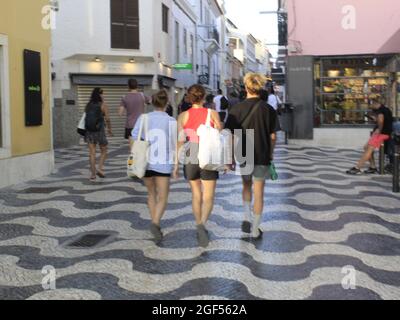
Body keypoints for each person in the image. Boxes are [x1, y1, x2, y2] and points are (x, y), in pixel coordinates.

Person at [226, 73, 277, 238]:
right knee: (259, 191)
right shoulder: (268, 109)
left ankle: (247, 217)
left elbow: (231, 136)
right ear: (260, 87)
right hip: (262, 153)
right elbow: (273, 136)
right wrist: (271, 154)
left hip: (243, 152)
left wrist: (230, 158)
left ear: (246, 87)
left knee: (246, 186)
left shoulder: (236, 109)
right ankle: (255, 229)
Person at [177, 84, 223, 247]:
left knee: (196, 194)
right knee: (208, 196)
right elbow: (219, 132)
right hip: (208, 153)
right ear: (204, 97)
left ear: (189, 97)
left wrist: (175, 164)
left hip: (190, 153)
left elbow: (180, 140)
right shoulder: (212, 113)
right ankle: (202, 224)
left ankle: (199, 223)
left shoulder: (183, 116)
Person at [131, 90, 178, 242]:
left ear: (152, 102)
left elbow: (133, 137)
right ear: (167, 103)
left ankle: (154, 223)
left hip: (146, 162)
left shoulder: (144, 118)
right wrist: (176, 165)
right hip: (163, 163)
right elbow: (175, 144)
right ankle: (155, 223)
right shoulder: (171, 121)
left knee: (151, 194)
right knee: (163, 197)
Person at [346, 99, 393, 175]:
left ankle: (357, 168)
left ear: (375, 103)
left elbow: (381, 121)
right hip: (383, 133)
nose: (369, 107)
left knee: (369, 149)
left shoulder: (381, 111)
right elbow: (382, 120)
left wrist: (379, 130)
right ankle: (372, 167)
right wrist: (375, 120)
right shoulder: (386, 110)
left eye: (370, 105)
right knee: (366, 147)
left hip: (382, 134)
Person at [84, 88, 113, 181]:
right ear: (100, 95)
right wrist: (109, 129)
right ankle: (100, 168)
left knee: (92, 153)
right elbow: (107, 119)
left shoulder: (88, 105)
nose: (103, 95)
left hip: (89, 132)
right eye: (102, 94)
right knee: (104, 150)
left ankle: (93, 174)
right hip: (100, 131)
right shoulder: (103, 105)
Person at [119, 79, 151, 144]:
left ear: (128, 86)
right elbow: (150, 101)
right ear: (137, 86)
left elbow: (120, 113)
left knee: (132, 148)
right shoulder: (142, 96)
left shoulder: (124, 97)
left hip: (130, 125)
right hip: (141, 125)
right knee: (141, 146)